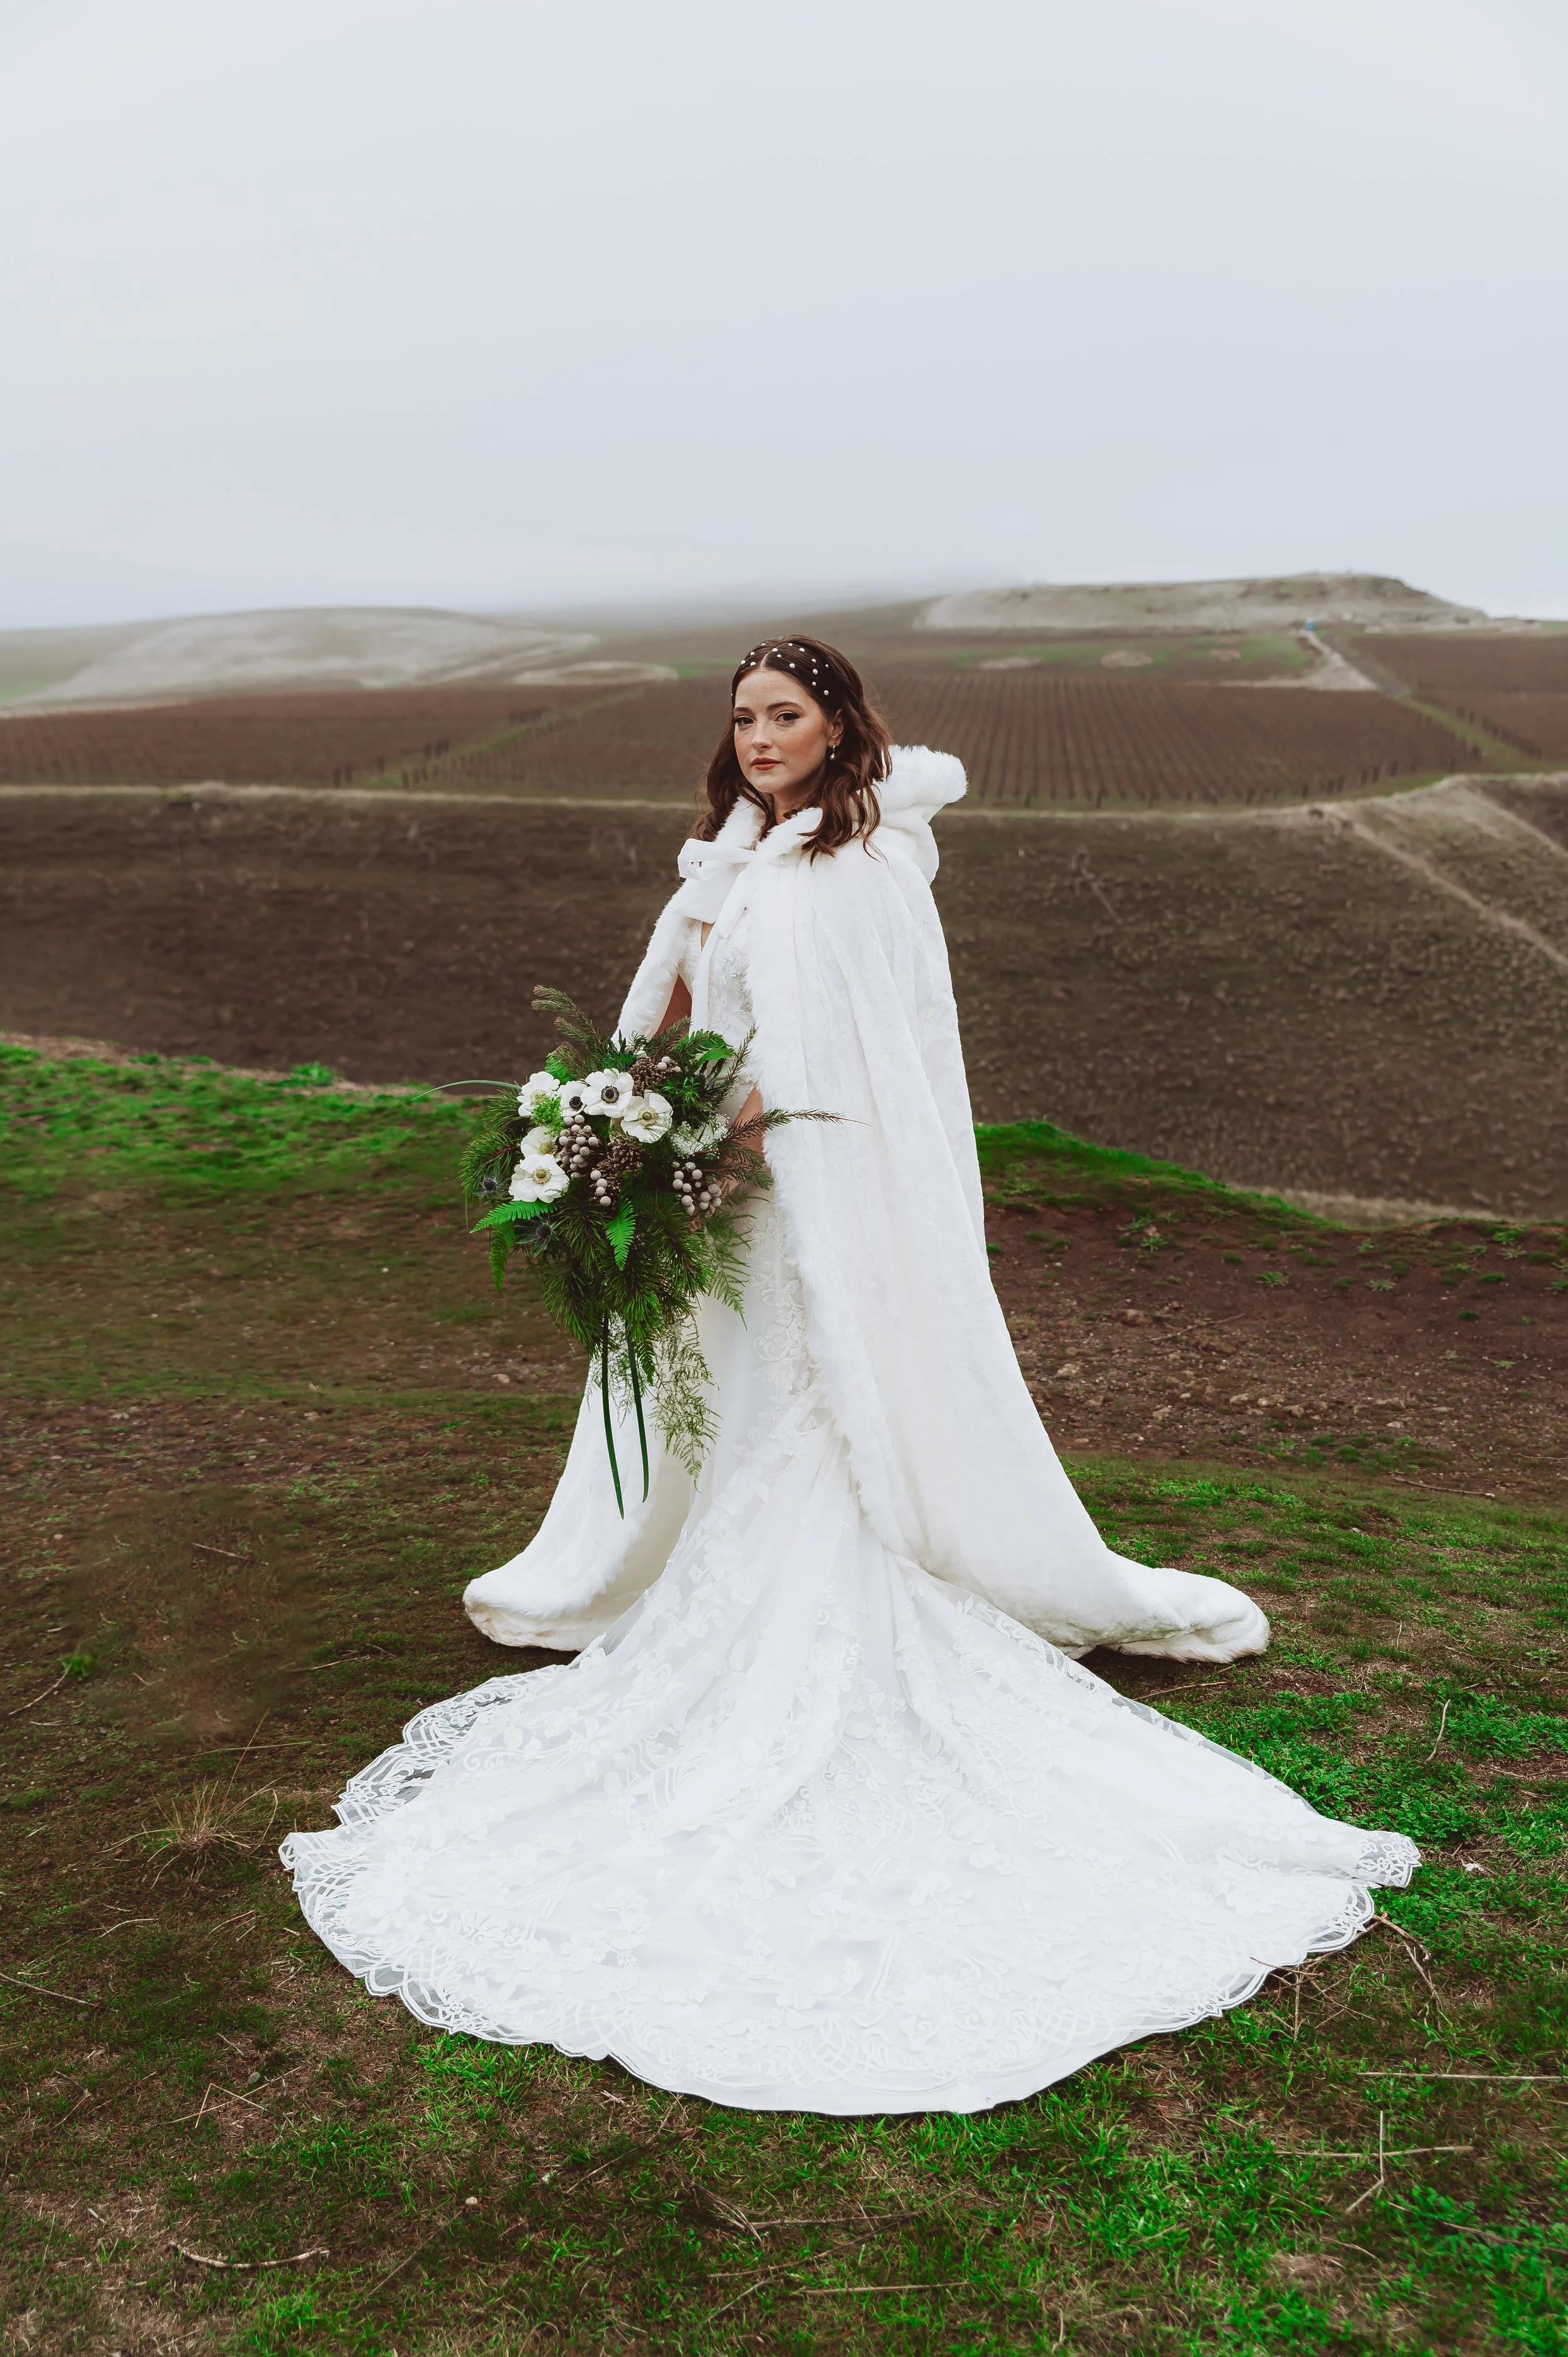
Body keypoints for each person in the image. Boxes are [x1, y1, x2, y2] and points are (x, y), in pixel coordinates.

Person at [281, 637, 1415, 2115]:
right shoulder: (742, 856)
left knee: (818, 1419)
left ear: (837, 725)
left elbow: (867, 1059)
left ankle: (830, 1602)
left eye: (785, 715)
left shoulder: (861, 865)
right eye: (742, 717)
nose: (758, 737)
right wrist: (627, 1125)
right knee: (738, 1406)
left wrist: (749, 1132)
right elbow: (684, 1012)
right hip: (730, 1198)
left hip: (810, 1201)